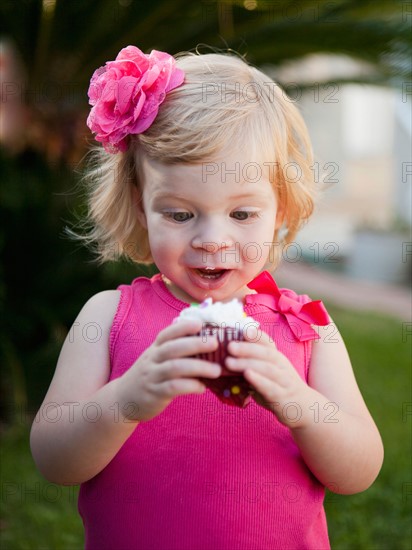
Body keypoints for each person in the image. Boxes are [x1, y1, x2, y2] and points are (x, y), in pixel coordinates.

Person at [30, 46, 383, 550]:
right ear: (140, 204)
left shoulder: (307, 326)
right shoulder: (109, 317)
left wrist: (298, 402)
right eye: (179, 214)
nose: (212, 240)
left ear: (279, 206)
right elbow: (53, 460)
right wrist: (129, 399)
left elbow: (360, 470)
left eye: (242, 215)